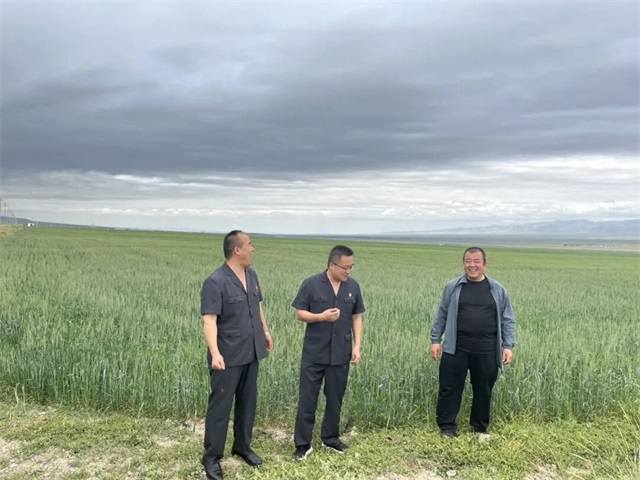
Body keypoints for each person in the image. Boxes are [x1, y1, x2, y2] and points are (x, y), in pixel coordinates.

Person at [200, 230, 274, 480]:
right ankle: (212, 457)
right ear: (237, 250)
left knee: (247, 402)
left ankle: (242, 446)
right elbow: (209, 321)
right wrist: (215, 353)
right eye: (250, 244)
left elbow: (258, 306)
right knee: (220, 407)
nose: (253, 249)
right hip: (228, 355)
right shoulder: (215, 281)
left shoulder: (251, 275)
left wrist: (265, 331)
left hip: (252, 350)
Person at [430, 247, 516, 438]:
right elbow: (441, 313)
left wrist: (508, 346)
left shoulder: (498, 290)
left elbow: (508, 319)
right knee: (449, 388)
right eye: (468, 261)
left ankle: (479, 428)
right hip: (455, 347)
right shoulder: (453, 287)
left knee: (483, 390)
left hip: (487, 349)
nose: (472, 265)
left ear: (485, 264)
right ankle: (447, 428)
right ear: (464, 264)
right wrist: (435, 340)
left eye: (477, 261)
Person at [291, 245, 365, 461]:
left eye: (351, 267)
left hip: (341, 353)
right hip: (314, 353)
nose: (348, 271)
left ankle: (330, 438)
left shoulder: (353, 286)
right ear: (332, 265)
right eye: (345, 267)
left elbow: (357, 317)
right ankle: (302, 444)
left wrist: (357, 346)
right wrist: (320, 317)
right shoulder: (311, 284)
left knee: (335, 398)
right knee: (307, 399)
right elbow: (300, 313)